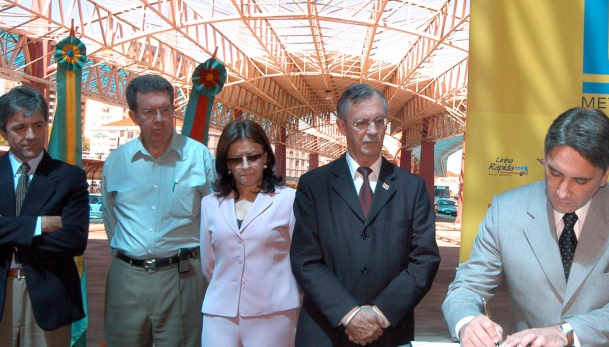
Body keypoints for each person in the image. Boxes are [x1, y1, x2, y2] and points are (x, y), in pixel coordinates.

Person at [442, 107, 609, 347]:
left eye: (580, 180)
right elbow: (468, 286)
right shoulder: (505, 210)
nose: (562, 191)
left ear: (605, 174)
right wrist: (467, 322)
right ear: (544, 159)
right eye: (554, 172)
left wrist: (565, 332)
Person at [290, 83, 440, 347]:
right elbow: (306, 260)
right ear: (341, 126)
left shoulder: (411, 188)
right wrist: (349, 315)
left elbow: (424, 259)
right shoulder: (314, 185)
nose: (372, 131)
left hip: (388, 332)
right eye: (361, 122)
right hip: (325, 332)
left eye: (379, 121)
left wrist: (379, 314)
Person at [102, 74, 215, 347]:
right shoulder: (117, 162)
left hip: (183, 278)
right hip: (128, 279)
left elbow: (215, 219)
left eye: (166, 110)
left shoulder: (199, 157)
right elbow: (110, 218)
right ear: (133, 116)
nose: (159, 119)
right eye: (149, 112)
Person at [0, 85, 89, 346]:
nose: (31, 135)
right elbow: (59, 236)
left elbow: (74, 240)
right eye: (20, 127)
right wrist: (41, 225)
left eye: (38, 125)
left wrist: (8, 231)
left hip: (50, 296)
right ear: (4, 131)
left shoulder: (70, 177)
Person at [200, 119, 300, 346]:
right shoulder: (209, 204)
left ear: (266, 157)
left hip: (274, 313)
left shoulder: (288, 200)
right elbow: (209, 264)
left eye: (253, 157)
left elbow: (299, 257)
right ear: (226, 163)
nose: (245, 166)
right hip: (220, 313)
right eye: (236, 159)